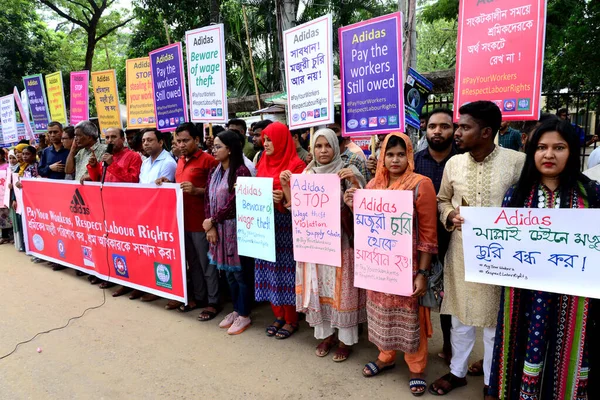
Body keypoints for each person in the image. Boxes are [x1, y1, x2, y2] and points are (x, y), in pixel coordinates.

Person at [486, 119, 600, 400]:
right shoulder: (516, 195)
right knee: (522, 347)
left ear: (571, 151)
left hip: (575, 299)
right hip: (523, 296)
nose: (549, 155)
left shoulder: (591, 194)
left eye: (558, 147)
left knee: (569, 354)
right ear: (531, 152)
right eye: (541, 147)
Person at [430, 101, 526, 396]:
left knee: (495, 324)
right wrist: (449, 215)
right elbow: (441, 199)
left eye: (463, 127)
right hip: (461, 253)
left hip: (503, 256)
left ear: (486, 132)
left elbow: (530, 206)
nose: (456, 132)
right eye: (457, 126)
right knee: (460, 317)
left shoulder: (517, 162)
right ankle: (457, 372)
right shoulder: (454, 164)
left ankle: (490, 380)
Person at [343, 133, 437, 396]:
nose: (395, 160)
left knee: (411, 317)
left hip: (406, 268)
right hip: (378, 266)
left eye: (400, 154)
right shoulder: (373, 185)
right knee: (380, 313)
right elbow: (367, 227)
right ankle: (386, 356)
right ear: (382, 156)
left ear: (409, 155)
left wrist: (422, 272)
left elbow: (429, 235)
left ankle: (416, 367)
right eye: (389, 154)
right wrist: (353, 205)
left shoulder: (421, 184)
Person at [280, 128, 366, 361]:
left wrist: (354, 182)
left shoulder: (347, 171)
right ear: (312, 149)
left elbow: (365, 210)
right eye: (318, 146)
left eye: (327, 145)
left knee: (341, 293)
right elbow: (296, 211)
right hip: (315, 247)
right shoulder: (307, 174)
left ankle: (345, 341)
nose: (323, 150)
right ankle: (326, 336)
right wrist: (287, 186)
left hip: (341, 245)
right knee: (321, 292)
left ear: (336, 147)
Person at [157, 123, 220, 317]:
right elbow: (180, 186)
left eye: (186, 140)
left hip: (202, 223)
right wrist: (169, 184)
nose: (182, 145)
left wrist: (197, 191)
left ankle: (213, 302)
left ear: (197, 140)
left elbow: (218, 191)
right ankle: (199, 297)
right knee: (192, 262)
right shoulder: (180, 161)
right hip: (183, 221)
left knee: (207, 264)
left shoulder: (208, 161)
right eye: (178, 141)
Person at [413, 108, 457, 366]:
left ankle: (451, 347)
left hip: (454, 239)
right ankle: (418, 345)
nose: (437, 131)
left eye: (444, 126)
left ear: (454, 130)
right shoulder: (415, 162)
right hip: (421, 242)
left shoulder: (462, 161)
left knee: (449, 296)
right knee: (422, 291)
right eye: (432, 127)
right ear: (425, 130)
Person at [255, 121, 306, 339]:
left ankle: (291, 319)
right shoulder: (262, 162)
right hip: (265, 226)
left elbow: (303, 201)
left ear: (282, 140)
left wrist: (284, 196)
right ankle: (278, 314)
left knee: (286, 272)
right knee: (269, 269)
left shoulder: (297, 166)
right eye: (264, 139)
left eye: (269, 140)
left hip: (286, 226)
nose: (265, 144)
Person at [203, 130, 253, 334]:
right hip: (218, 228)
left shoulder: (241, 171)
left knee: (241, 274)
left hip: (236, 229)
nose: (214, 150)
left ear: (230, 149)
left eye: (218, 146)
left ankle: (244, 314)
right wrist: (210, 224)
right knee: (229, 275)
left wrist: (213, 219)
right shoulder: (215, 172)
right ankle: (235, 309)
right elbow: (207, 198)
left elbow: (236, 203)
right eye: (213, 146)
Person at [128, 128, 178, 302]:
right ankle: (148, 286)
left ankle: (167, 289)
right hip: (145, 215)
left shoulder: (168, 162)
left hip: (161, 216)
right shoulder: (145, 162)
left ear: (161, 142)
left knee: (163, 255)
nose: (146, 143)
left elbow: (165, 193)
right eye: (143, 141)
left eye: (150, 140)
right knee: (148, 254)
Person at [0, 150, 13, 244]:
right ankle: (4, 236)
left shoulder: (8, 166)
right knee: (1, 217)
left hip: (7, 194)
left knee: (9, 215)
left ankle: (12, 235)